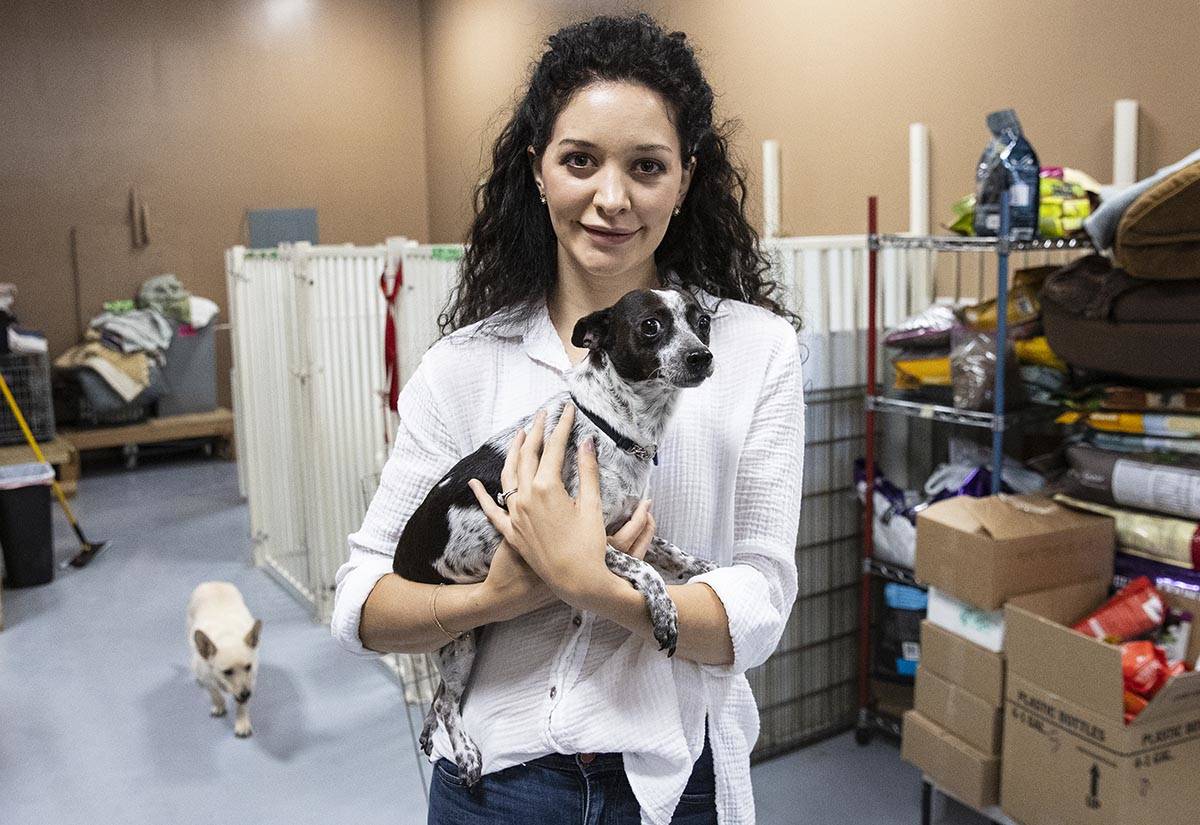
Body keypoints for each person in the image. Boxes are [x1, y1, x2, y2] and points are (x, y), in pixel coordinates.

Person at [332, 13, 805, 825]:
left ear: (685, 178)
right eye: (579, 159)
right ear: (539, 170)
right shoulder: (464, 365)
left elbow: (759, 608)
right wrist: (494, 598)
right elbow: (364, 604)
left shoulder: (756, 351)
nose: (611, 198)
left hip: (670, 787)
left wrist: (598, 587)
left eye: (647, 166)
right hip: (492, 790)